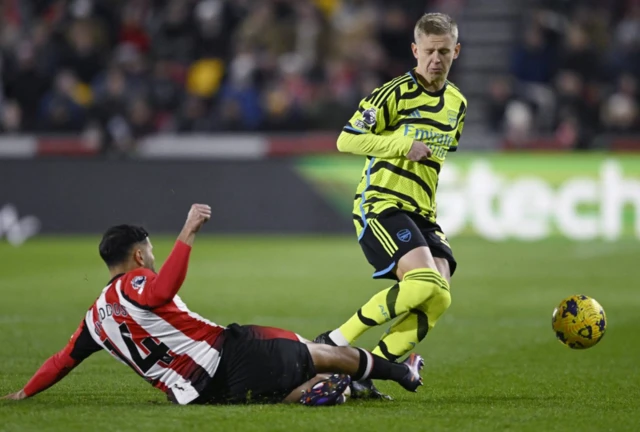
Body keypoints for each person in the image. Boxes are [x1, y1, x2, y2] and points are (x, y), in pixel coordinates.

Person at [1, 204, 424, 406]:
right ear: (137, 256)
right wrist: (187, 232)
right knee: (321, 350)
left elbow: (61, 361)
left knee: (281, 387)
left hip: (196, 395)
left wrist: (24, 392)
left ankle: (321, 392)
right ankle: (401, 373)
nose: (152, 254)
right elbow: (160, 292)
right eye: (149, 249)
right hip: (224, 353)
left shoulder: (95, 318)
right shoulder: (137, 281)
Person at [314, 13, 467, 399]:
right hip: (381, 203)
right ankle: (334, 341)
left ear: (456, 52)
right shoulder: (393, 93)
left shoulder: (457, 104)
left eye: (444, 52)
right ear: (415, 50)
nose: (436, 59)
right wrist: (401, 144)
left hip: (422, 212)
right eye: (429, 51)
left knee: (440, 295)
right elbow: (346, 140)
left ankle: (362, 374)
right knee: (424, 283)